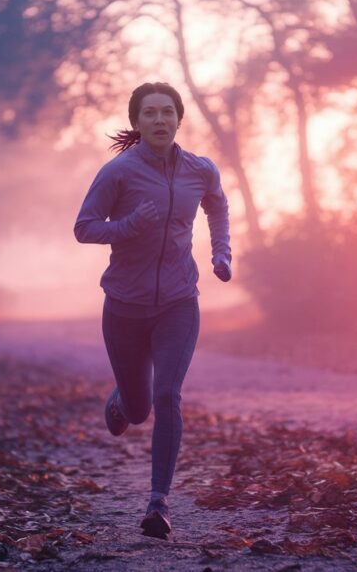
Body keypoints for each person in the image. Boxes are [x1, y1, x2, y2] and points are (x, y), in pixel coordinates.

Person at [73, 82, 232, 540]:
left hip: (179, 303)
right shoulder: (118, 172)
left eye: (168, 112)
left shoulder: (200, 170)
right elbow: (84, 228)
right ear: (137, 122)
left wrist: (222, 253)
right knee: (140, 408)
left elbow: (217, 207)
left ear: (179, 119)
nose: (160, 120)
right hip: (123, 306)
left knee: (168, 397)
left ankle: (158, 504)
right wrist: (127, 227)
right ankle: (122, 399)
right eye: (150, 113)